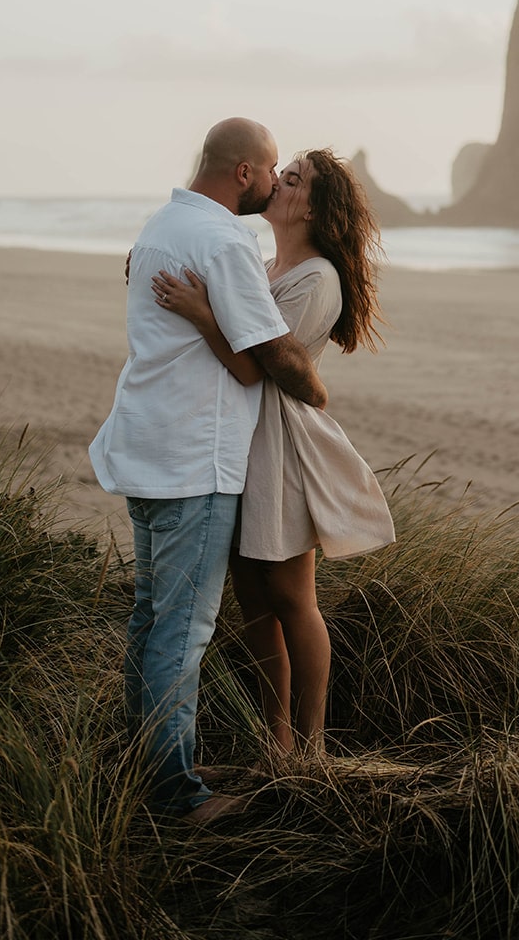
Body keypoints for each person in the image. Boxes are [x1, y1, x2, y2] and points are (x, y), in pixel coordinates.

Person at [88, 118, 328, 826]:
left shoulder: (161, 224)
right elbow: (268, 358)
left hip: (146, 447)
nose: (276, 178)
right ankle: (174, 796)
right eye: (272, 167)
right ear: (246, 173)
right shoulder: (225, 238)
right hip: (193, 459)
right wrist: (315, 390)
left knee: (150, 619)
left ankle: (142, 767)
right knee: (182, 632)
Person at [152, 148, 394, 762]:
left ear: (316, 207)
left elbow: (258, 362)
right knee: (254, 605)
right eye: (281, 174)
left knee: (292, 599)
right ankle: (275, 743)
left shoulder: (316, 278)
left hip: (280, 447)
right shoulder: (263, 265)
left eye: (293, 181)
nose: (279, 185)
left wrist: (202, 311)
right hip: (238, 439)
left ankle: (311, 749)